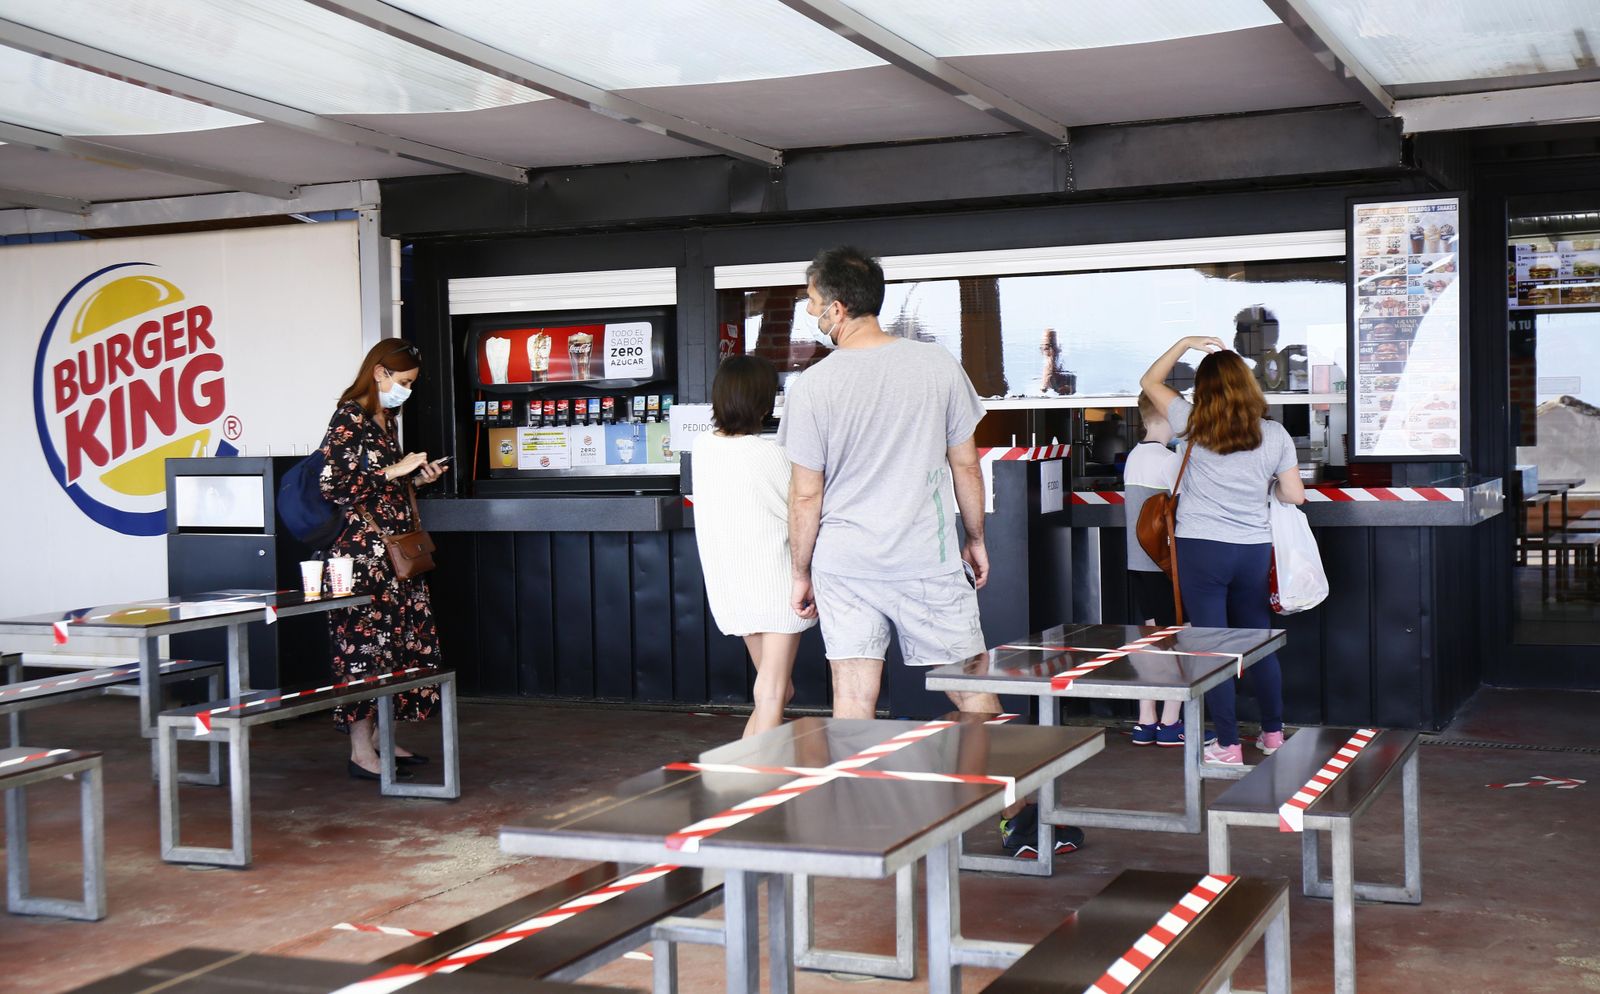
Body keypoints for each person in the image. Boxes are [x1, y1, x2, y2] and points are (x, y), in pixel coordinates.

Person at [782, 246, 1079, 858]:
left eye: (812, 304)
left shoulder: (813, 386)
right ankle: (1018, 818)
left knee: (855, 695)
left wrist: (801, 569)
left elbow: (805, 492)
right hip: (926, 556)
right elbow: (965, 463)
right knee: (973, 691)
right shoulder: (936, 365)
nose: (810, 315)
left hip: (845, 564)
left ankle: (858, 823)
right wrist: (975, 538)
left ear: (837, 308)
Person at [1140, 336, 1306, 767]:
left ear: (1204, 389)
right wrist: (1263, 484)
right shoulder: (1274, 434)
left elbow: (1149, 380)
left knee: (1210, 645)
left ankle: (1228, 744)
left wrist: (1185, 343)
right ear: (1247, 385)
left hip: (1201, 549)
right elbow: (1295, 495)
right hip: (1252, 548)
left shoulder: (1191, 421)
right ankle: (1273, 735)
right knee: (1258, 641)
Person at [320, 340, 447, 780]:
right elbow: (334, 486)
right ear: (379, 373)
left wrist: (419, 478)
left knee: (396, 646)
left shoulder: (384, 419)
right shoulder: (348, 417)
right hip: (360, 557)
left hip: (393, 554)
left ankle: (381, 738)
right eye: (404, 382)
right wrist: (395, 470)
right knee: (364, 648)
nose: (407, 391)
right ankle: (361, 750)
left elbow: (383, 489)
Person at [691, 355, 816, 737]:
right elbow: (801, 510)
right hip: (776, 582)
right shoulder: (773, 455)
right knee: (773, 691)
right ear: (763, 401)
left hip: (732, 583)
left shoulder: (702, 447)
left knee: (776, 688)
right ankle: (758, 782)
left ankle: (744, 774)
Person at [1123, 392, 1188, 746]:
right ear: (1167, 415)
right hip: (1166, 564)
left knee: (1149, 641)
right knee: (1181, 640)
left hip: (1138, 561)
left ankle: (1145, 721)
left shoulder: (1134, 457)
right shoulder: (1169, 460)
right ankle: (1170, 723)